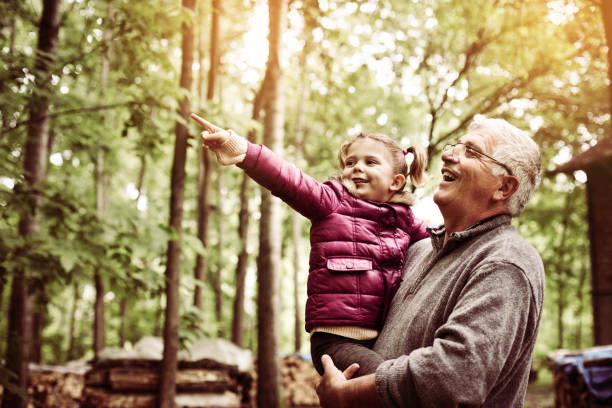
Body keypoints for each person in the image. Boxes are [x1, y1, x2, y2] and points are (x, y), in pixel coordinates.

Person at [315, 116, 545, 408]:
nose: (448, 154)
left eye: (471, 151)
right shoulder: (417, 251)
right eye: (455, 146)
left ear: (503, 188)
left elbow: (455, 376)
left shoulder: (506, 261)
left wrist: (349, 395)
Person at [190, 113, 430, 376]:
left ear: (396, 182)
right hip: (336, 340)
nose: (357, 167)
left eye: (370, 162)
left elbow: (439, 244)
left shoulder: (405, 221)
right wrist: (242, 150)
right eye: (351, 162)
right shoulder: (333, 201)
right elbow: (289, 180)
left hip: (383, 337)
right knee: (390, 382)